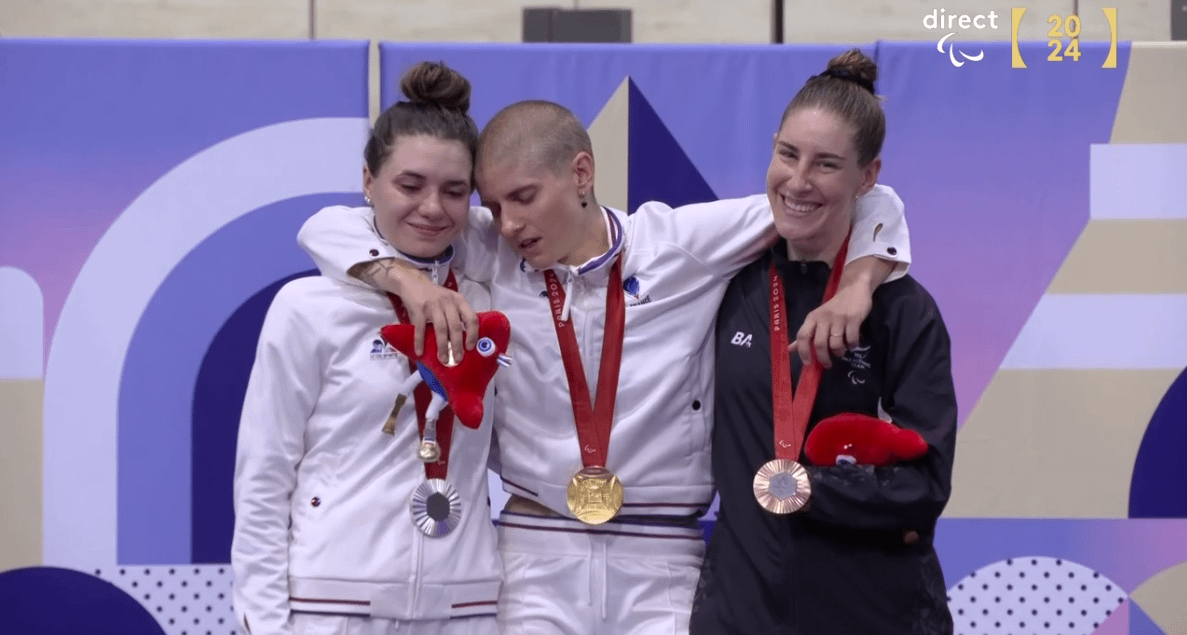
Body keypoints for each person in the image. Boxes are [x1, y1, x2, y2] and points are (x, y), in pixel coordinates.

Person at [295, 95, 913, 634]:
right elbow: (330, 226)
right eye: (495, 204)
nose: (508, 223)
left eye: (525, 198)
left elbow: (866, 198)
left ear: (581, 173)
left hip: (662, 558)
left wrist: (858, 286)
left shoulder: (681, 244)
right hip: (535, 553)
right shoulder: (495, 249)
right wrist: (406, 280)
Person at [690, 49, 957, 634]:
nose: (799, 181)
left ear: (868, 177)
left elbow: (925, 482)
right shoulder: (728, 284)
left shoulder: (901, 312)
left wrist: (810, 488)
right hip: (741, 612)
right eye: (788, 154)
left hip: (872, 613)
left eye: (827, 165)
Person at [231, 62, 502, 635]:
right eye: (409, 185)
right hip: (330, 607)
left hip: (466, 608)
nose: (432, 207)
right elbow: (264, 474)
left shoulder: (491, 303)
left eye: (454, 191)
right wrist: (265, 621)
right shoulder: (308, 306)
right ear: (368, 181)